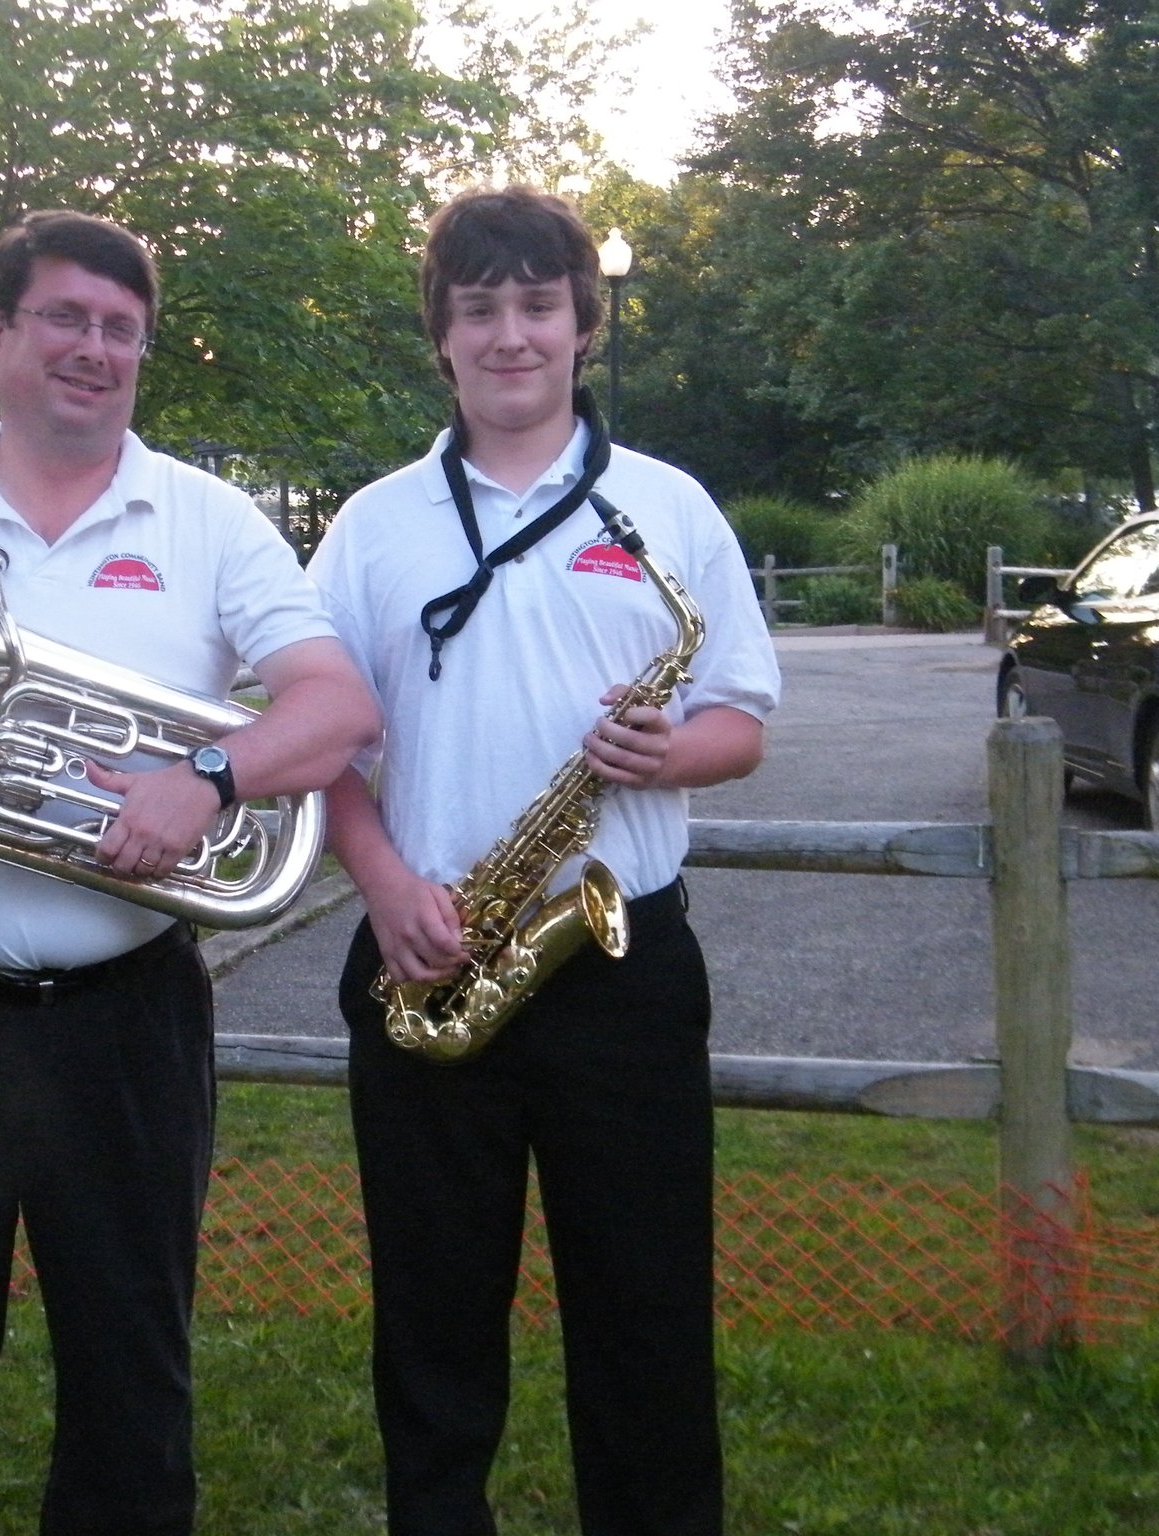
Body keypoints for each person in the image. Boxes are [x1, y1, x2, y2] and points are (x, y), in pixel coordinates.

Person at [0, 208, 378, 1536]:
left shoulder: (211, 522)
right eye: (65, 320)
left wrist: (205, 779)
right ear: (0, 336)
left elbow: (335, 709)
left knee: (131, 1389)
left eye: (120, 330)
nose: (93, 350)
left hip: (126, 1027)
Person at [307, 185, 782, 1536]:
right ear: (441, 340)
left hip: (620, 962)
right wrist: (387, 886)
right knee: (432, 1321)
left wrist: (666, 759)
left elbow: (740, 722)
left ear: (582, 324)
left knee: (646, 1317)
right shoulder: (373, 525)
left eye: (536, 305)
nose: (510, 334)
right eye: (479, 311)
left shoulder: (667, 506)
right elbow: (327, 742)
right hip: (428, 948)